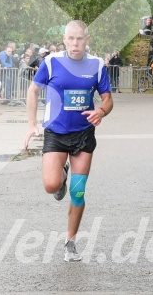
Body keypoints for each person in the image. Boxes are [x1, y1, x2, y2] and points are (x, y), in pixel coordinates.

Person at [24, 20, 113, 262]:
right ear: (64, 39)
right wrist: (32, 125)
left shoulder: (96, 65)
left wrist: (101, 112)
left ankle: (70, 242)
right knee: (51, 186)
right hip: (56, 132)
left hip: (83, 134)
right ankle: (61, 175)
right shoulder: (52, 62)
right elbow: (33, 90)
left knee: (78, 191)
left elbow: (107, 99)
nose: (75, 43)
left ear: (87, 39)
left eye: (80, 39)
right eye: (71, 39)